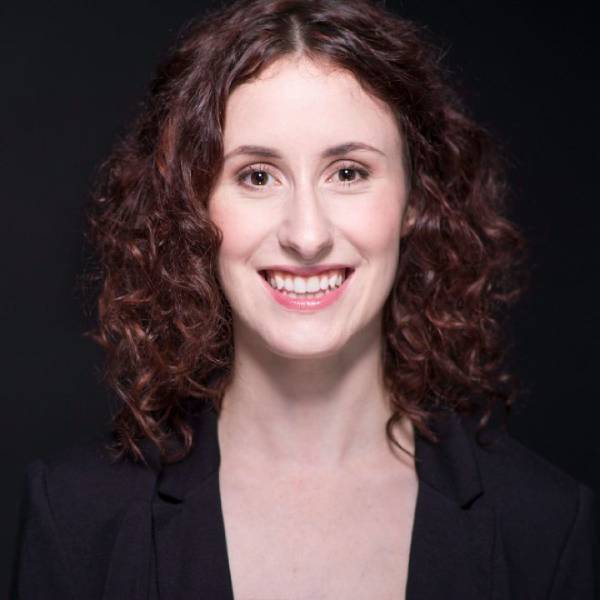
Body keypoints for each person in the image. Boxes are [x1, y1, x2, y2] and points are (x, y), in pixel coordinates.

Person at [10, 0, 598, 598]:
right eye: (257, 176)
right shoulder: (77, 518)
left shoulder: (545, 527)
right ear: (190, 207)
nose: (308, 235)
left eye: (348, 172)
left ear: (416, 199)